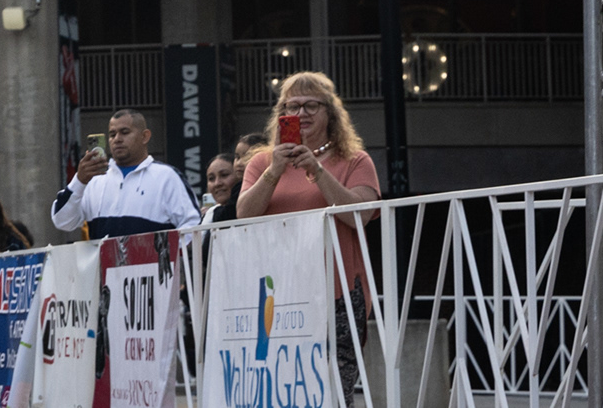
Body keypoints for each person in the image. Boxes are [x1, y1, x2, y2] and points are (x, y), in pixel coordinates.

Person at [236, 73, 379, 405]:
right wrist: (274, 171)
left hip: (337, 293)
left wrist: (317, 170)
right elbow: (244, 214)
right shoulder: (261, 162)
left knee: (331, 392)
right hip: (278, 296)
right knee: (280, 390)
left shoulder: (355, 161)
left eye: (311, 105)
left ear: (330, 112)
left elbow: (360, 215)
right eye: (292, 105)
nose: (301, 113)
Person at [52, 110, 201, 238]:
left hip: (153, 270)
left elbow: (193, 226)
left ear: (145, 136)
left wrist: (167, 256)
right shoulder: (93, 180)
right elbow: (62, 221)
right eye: (112, 134)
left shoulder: (167, 177)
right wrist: (79, 181)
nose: (117, 139)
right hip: (104, 270)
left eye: (125, 132)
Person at [201, 153, 239, 225]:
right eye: (211, 178)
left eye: (224, 175)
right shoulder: (208, 215)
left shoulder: (248, 211)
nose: (217, 183)